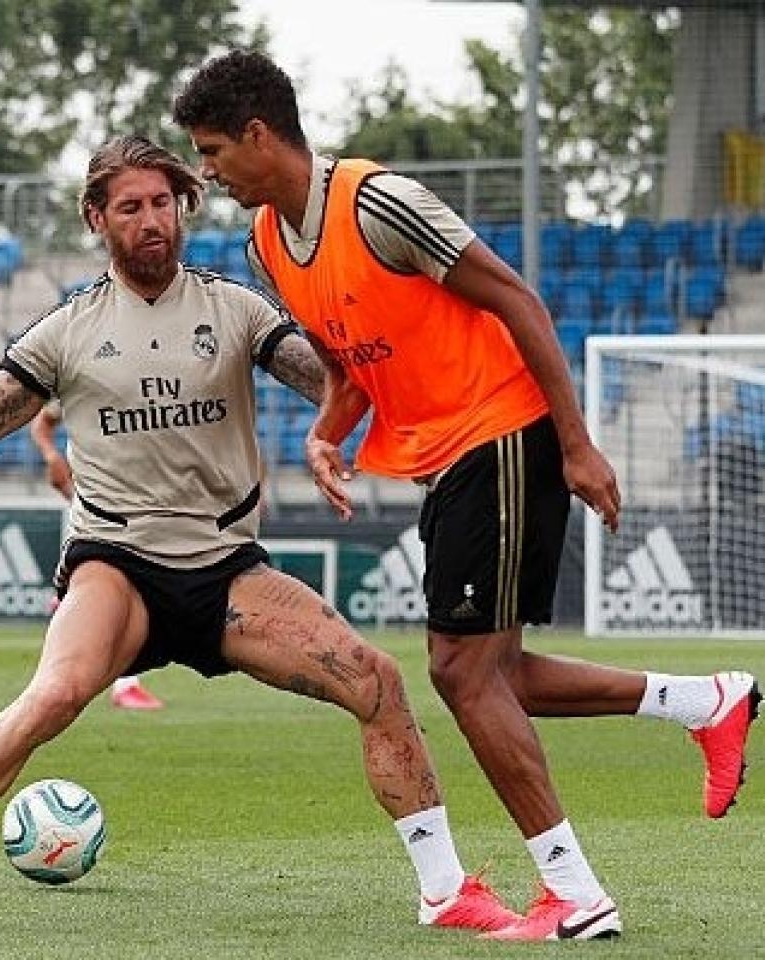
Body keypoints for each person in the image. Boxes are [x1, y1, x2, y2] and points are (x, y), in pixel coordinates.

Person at [0, 136, 520, 934]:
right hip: (116, 564)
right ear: (98, 218)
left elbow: (335, 381)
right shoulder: (67, 330)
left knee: (375, 682)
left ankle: (445, 892)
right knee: (53, 696)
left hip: (228, 569)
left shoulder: (234, 309)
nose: (152, 220)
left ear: (184, 206)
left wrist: (386, 392)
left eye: (163, 202)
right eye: (131, 206)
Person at [173, 50, 758, 942]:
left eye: (214, 151)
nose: (207, 172)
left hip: (507, 433)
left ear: (261, 135)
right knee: (495, 673)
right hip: (447, 459)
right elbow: (354, 361)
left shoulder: (378, 203)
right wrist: (327, 430)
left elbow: (521, 301)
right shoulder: (266, 245)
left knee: (460, 671)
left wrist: (577, 443)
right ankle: (706, 703)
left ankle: (577, 894)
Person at [29, 401, 162, 710]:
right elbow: (42, 423)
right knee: (124, 583)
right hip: (99, 492)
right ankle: (124, 683)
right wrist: (52, 457)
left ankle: (69, 608)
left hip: (137, 493)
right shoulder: (88, 376)